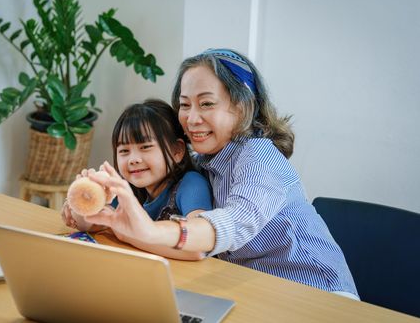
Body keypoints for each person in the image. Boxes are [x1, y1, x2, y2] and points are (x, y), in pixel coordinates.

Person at [68, 48, 359, 299]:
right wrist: (96, 207)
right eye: (184, 105)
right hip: (254, 290)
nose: (192, 118)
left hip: (320, 295)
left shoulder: (259, 155)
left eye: (206, 103)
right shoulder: (203, 159)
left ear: (242, 106)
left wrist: (149, 231)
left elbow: (233, 222)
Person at [62, 98, 213, 260]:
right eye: (124, 151)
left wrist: (127, 235)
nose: (133, 159)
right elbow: (93, 225)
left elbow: (197, 250)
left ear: (177, 151)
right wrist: (82, 203)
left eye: (145, 147)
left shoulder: (191, 184)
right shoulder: (125, 186)